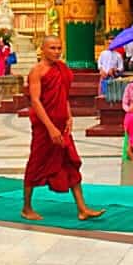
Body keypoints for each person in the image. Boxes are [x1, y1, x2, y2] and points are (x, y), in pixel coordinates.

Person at [21, 35, 104, 222]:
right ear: (42, 49)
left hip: (61, 124)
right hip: (44, 127)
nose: (56, 52)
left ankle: (82, 208)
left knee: (70, 162)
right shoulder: (37, 71)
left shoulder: (62, 69)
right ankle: (26, 207)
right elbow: (35, 101)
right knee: (36, 163)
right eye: (52, 48)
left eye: (59, 48)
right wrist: (50, 127)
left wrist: (69, 116)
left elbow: (63, 96)